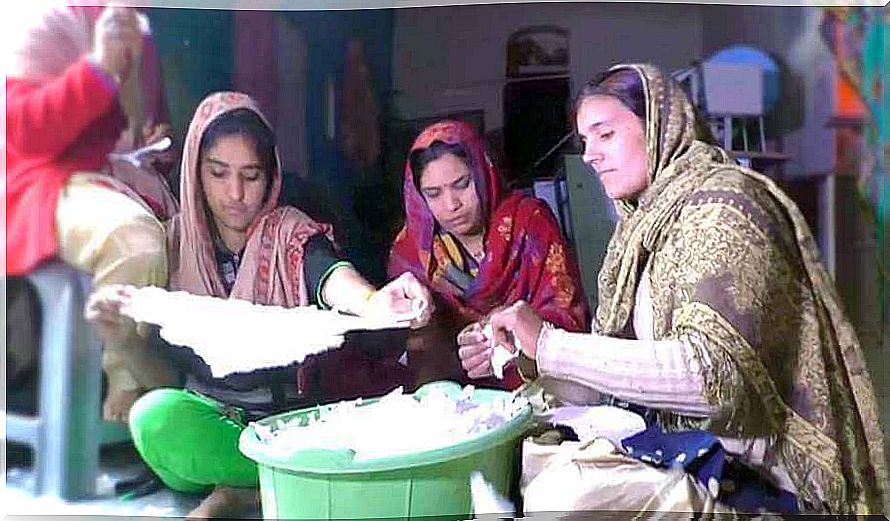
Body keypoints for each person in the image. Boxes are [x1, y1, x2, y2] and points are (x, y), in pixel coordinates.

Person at [458, 63, 888, 514]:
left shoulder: (728, 207)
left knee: (562, 495)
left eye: (605, 135)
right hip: (686, 445)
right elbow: (619, 383)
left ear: (661, 126)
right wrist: (524, 355)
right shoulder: (641, 228)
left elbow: (712, 378)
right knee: (520, 458)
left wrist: (550, 344)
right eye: (586, 142)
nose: (589, 155)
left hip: (759, 471)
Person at [86, 92, 433, 519]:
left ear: (271, 178)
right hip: (210, 425)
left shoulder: (288, 232)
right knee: (154, 417)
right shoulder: (170, 247)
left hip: (288, 429)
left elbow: (330, 277)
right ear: (196, 174)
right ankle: (275, 483)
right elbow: (164, 377)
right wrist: (119, 340)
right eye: (219, 174)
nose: (235, 194)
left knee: (349, 432)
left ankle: (245, 488)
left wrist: (374, 302)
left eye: (251, 176)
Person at [5, 3, 178, 422]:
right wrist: (98, 69)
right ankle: (128, 387)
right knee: (133, 241)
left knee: (192, 239)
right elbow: (21, 131)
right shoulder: (46, 18)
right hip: (37, 184)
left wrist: (158, 140)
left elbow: (148, 124)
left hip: (123, 178)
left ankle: (174, 410)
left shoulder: (140, 27)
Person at [389, 120, 590, 390]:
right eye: (433, 194)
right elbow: (411, 352)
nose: (452, 205)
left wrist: (509, 343)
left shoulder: (530, 222)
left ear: (484, 173)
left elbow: (570, 317)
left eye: (462, 184)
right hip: (456, 402)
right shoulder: (410, 253)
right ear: (419, 197)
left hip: (542, 387)